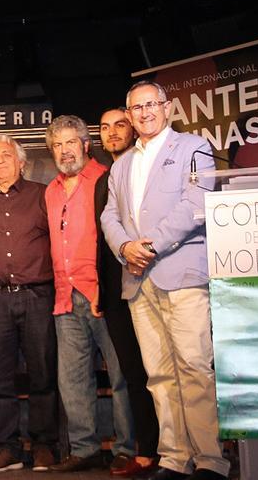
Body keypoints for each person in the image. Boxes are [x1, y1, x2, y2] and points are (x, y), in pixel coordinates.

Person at [101, 80, 230, 480]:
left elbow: (196, 205)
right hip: (138, 280)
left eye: (151, 105)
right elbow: (109, 216)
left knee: (193, 366)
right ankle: (175, 458)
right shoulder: (121, 164)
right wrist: (125, 248)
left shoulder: (193, 147)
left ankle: (210, 459)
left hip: (182, 273)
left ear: (167, 107)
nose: (145, 113)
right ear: (130, 115)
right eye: (136, 108)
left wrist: (150, 246)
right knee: (158, 374)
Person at [42, 115, 133, 473]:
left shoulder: (106, 179)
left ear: (85, 144)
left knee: (122, 374)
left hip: (104, 295)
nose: (65, 151)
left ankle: (127, 446)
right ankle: (85, 449)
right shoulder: (50, 191)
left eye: (70, 142)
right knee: (73, 379)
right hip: (65, 296)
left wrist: (104, 289)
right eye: (57, 145)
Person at [0, 135, 58, 473]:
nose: (1, 161)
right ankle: (8, 448)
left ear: (21, 162)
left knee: (43, 373)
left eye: (7, 155)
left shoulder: (41, 195)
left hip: (38, 296)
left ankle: (44, 446)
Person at [97, 108, 160, 477]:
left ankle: (181, 451)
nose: (112, 132)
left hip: (158, 277)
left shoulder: (147, 170)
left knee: (170, 371)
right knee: (135, 374)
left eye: (119, 124)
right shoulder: (103, 181)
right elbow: (100, 240)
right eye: (104, 128)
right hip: (118, 291)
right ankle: (149, 451)